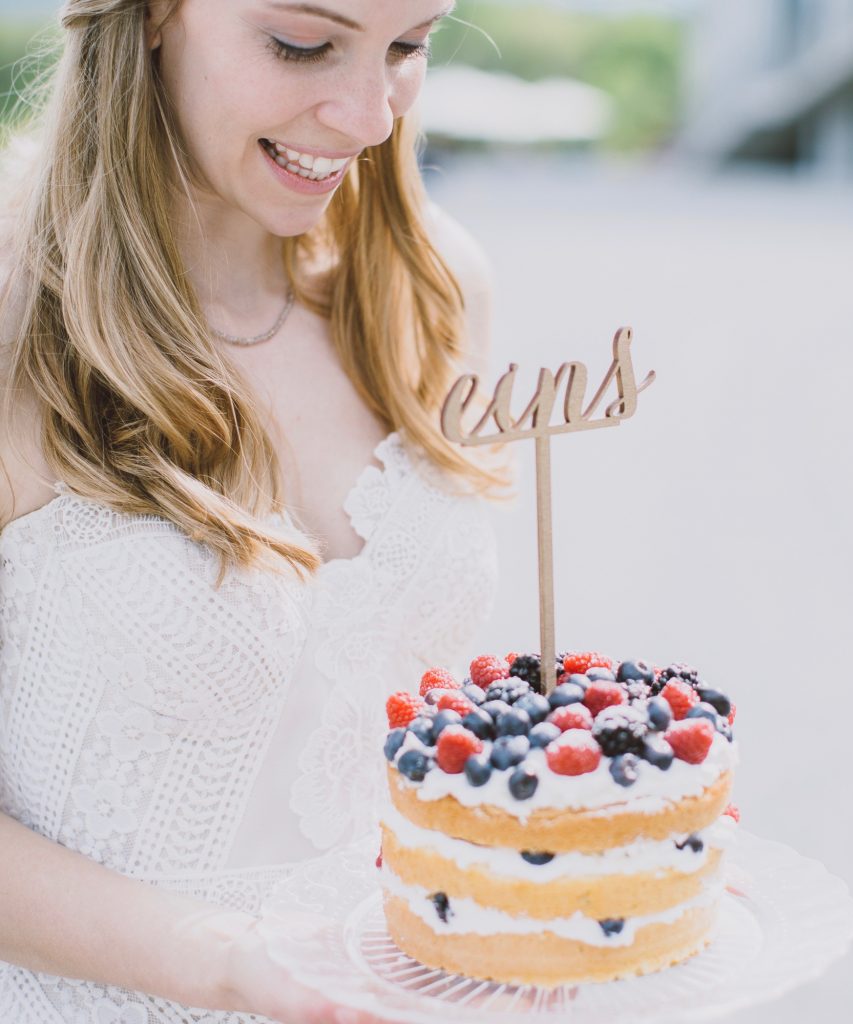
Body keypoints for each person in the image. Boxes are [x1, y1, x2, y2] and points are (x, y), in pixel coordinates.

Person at [0, 1, 500, 1021]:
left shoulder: (430, 287)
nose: (369, 117)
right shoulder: (16, 306)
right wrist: (228, 962)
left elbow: (409, 706)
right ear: (149, 17)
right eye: (301, 44)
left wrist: (585, 846)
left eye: (408, 46)